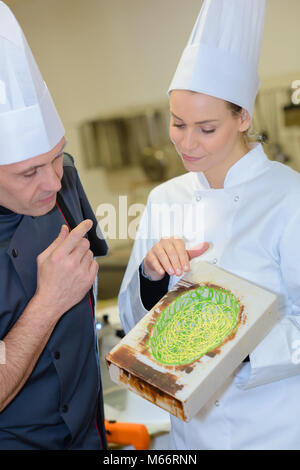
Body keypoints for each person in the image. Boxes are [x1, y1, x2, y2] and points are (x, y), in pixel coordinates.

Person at [119, 0, 300, 450]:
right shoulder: (165, 199)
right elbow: (133, 323)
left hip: (275, 429)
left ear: (243, 118)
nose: (187, 143)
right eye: (177, 124)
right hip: (190, 436)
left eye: (206, 128)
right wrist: (150, 278)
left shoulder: (289, 197)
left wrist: (231, 343)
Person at [0, 2, 108, 449]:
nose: (53, 182)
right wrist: (49, 302)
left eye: (56, 156)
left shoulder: (63, 180)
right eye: (29, 172)